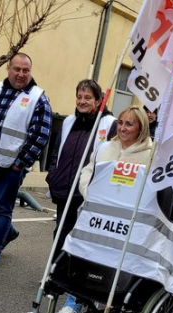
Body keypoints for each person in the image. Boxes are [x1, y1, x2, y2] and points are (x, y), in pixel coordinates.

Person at [0, 53, 52, 270]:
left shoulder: (38, 98)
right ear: (8, 68)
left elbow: (40, 135)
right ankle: (8, 231)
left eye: (26, 70)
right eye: (17, 69)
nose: (21, 74)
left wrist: (20, 164)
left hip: (9, 167)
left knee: (2, 208)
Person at [46, 79, 115, 254]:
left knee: (84, 240)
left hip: (90, 194)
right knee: (61, 235)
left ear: (98, 101)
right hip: (65, 192)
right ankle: (54, 275)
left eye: (88, 97)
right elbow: (56, 153)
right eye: (79, 97)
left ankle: (75, 278)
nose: (82, 101)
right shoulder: (68, 122)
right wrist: (52, 176)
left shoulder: (109, 124)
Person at [78, 106, 152, 197]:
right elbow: (88, 171)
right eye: (120, 123)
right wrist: (88, 192)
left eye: (129, 124)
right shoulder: (104, 148)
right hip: (96, 207)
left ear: (141, 128)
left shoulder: (151, 156)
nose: (122, 128)